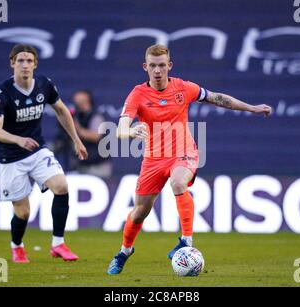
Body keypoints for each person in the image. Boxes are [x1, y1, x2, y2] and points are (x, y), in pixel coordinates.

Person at [107, 44, 272, 274]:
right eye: (153, 66)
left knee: (178, 182)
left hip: (183, 152)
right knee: (140, 212)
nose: (157, 70)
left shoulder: (183, 88)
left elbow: (217, 98)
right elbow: (120, 128)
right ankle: (124, 252)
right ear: (145, 67)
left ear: (169, 66)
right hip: (153, 159)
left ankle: (186, 241)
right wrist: (131, 131)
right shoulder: (137, 94)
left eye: (162, 65)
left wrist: (251, 108)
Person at [0, 44, 88, 263]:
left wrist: (76, 140)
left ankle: (58, 244)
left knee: (62, 186)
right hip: (10, 157)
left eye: (29, 61)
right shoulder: (3, 91)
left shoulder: (44, 84)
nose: (25, 65)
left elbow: (62, 110)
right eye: (20, 60)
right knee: (23, 212)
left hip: (37, 151)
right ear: (12, 63)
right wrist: (18, 140)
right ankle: (17, 246)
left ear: (35, 64)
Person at [54, 90, 112, 178]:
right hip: (81, 165)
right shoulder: (76, 116)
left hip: (98, 166)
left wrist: (76, 129)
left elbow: (96, 136)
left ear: (87, 102)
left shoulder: (96, 117)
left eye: (80, 102)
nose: (77, 105)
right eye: (76, 102)